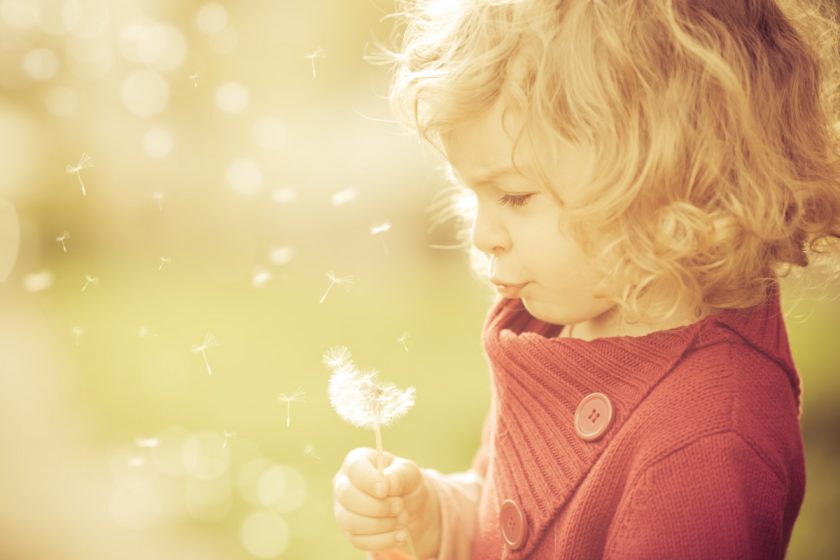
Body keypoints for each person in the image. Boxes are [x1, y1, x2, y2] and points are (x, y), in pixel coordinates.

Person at [333, 0, 840, 557]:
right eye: (469, 193)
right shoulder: (557, 328)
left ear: (664, 182)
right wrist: (444, 519)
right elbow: (509, 508)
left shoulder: (709, 440)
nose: (482, 236)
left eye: (515, 195)